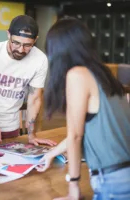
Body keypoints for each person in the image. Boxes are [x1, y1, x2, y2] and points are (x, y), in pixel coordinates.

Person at [36, 17, 130, 200]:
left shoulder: (77, 75)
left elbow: (76, 135)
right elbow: (86, 129)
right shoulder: (103, 74)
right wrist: (52, 153)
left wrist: (73, 188)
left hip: (112, 180)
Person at [0, 15, 57, 147]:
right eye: (16, 43)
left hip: (11, 127)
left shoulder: (40, 60)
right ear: (8, 34)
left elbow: (34, 98)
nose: (21, 50)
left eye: (28, 45)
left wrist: (31, 133)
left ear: (36, 40)